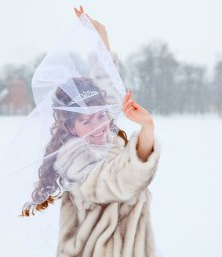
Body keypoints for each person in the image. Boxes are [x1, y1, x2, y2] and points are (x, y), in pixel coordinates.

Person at [20, 6, 163, 257]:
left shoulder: (103, 135)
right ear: (70, 126)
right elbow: (121, 180)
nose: (98, 125)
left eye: (100, 116)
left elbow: (106, 86)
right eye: (86, 122)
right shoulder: (73, 158)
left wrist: (100, 38)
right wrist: (147, 127)